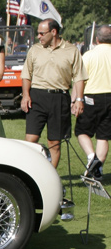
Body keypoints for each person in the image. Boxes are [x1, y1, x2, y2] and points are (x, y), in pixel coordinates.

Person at [21, 18, 88, 169]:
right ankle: (29, 173)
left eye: (41, 33)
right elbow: (26, 75)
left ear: (53, 32)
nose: (39, 36)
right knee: (30, 140)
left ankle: (50, 177)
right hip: (36, 97)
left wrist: (79, 99)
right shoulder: (35, 50)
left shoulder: (72, 50)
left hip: (59, 98)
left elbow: (79, 77)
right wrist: (25, 95)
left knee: (55, 143)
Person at [75, 24, 111, 179]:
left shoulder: (89, 55)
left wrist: (78, 99)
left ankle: (92, 158)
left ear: (97, 39)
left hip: (92, 96)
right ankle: (98, 169)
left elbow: (80, 79)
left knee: (82, 131)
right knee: (103, 135)